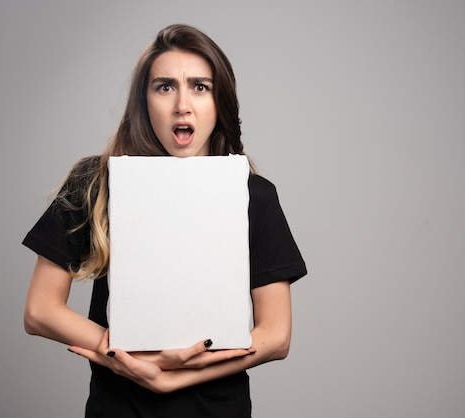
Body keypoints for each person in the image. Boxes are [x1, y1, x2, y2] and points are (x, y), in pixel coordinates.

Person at [22, 23, 307, 417]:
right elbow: (40, 310)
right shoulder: (93, 183)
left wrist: (173, 376)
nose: (182, 105)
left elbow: (276, 336)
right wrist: (125, 352)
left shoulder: (254, 195)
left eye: (200, 87)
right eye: (165, 86)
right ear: (145, 102)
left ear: (219, 103)